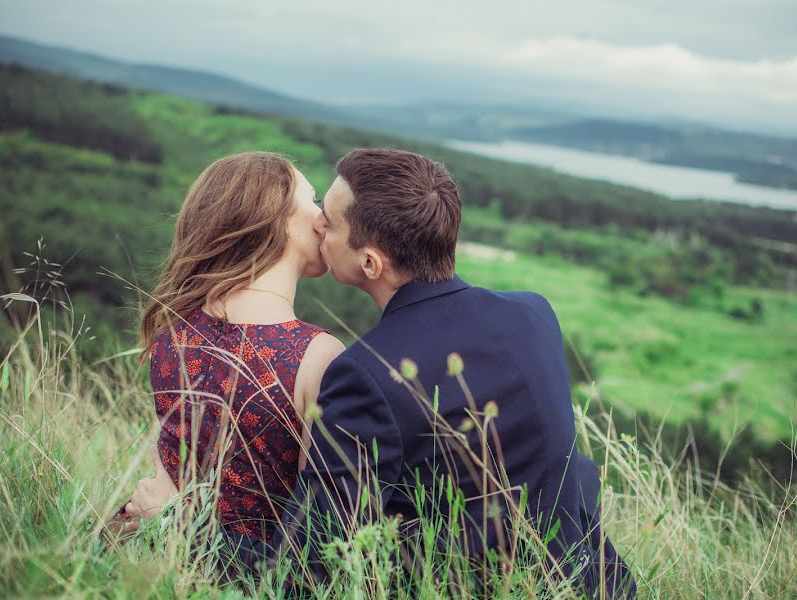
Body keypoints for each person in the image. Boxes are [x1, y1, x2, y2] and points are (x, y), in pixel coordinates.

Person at [270, 148, 636, 597]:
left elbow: (312, 561)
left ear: (370, 262)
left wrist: (188, 522)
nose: (319, 226)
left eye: (329, 220)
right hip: (591, 582)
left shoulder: (366, 373)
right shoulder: (535, 313)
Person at [120, 152, 344, 548]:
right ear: (276, 219)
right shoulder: (317, 355)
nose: (323, 216)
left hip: (150, 551)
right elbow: (316, 525)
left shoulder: (174, 330)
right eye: (311, 200)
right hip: (247, 576)